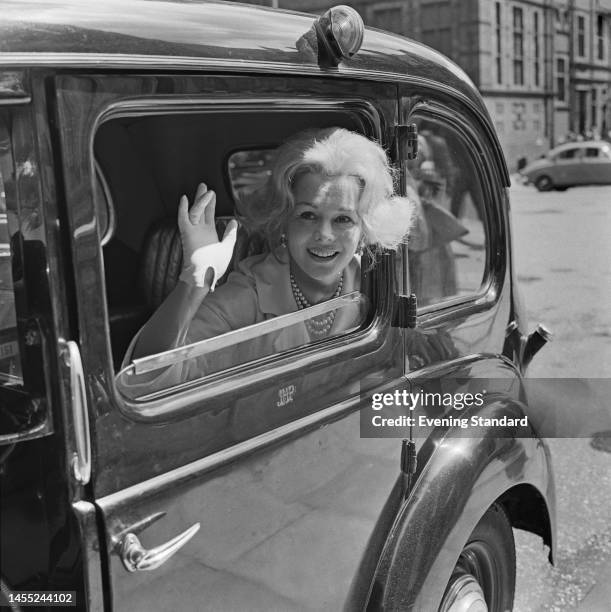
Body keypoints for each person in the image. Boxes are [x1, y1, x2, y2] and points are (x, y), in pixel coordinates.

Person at [125, 128, 415, 381]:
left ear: (364, 230)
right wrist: (195, 280)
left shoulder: (374, 281)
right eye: (307, 215)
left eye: (343, 219)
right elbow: (150, 377)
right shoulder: (251, 291)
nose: (324, 235)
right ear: (283, 220)